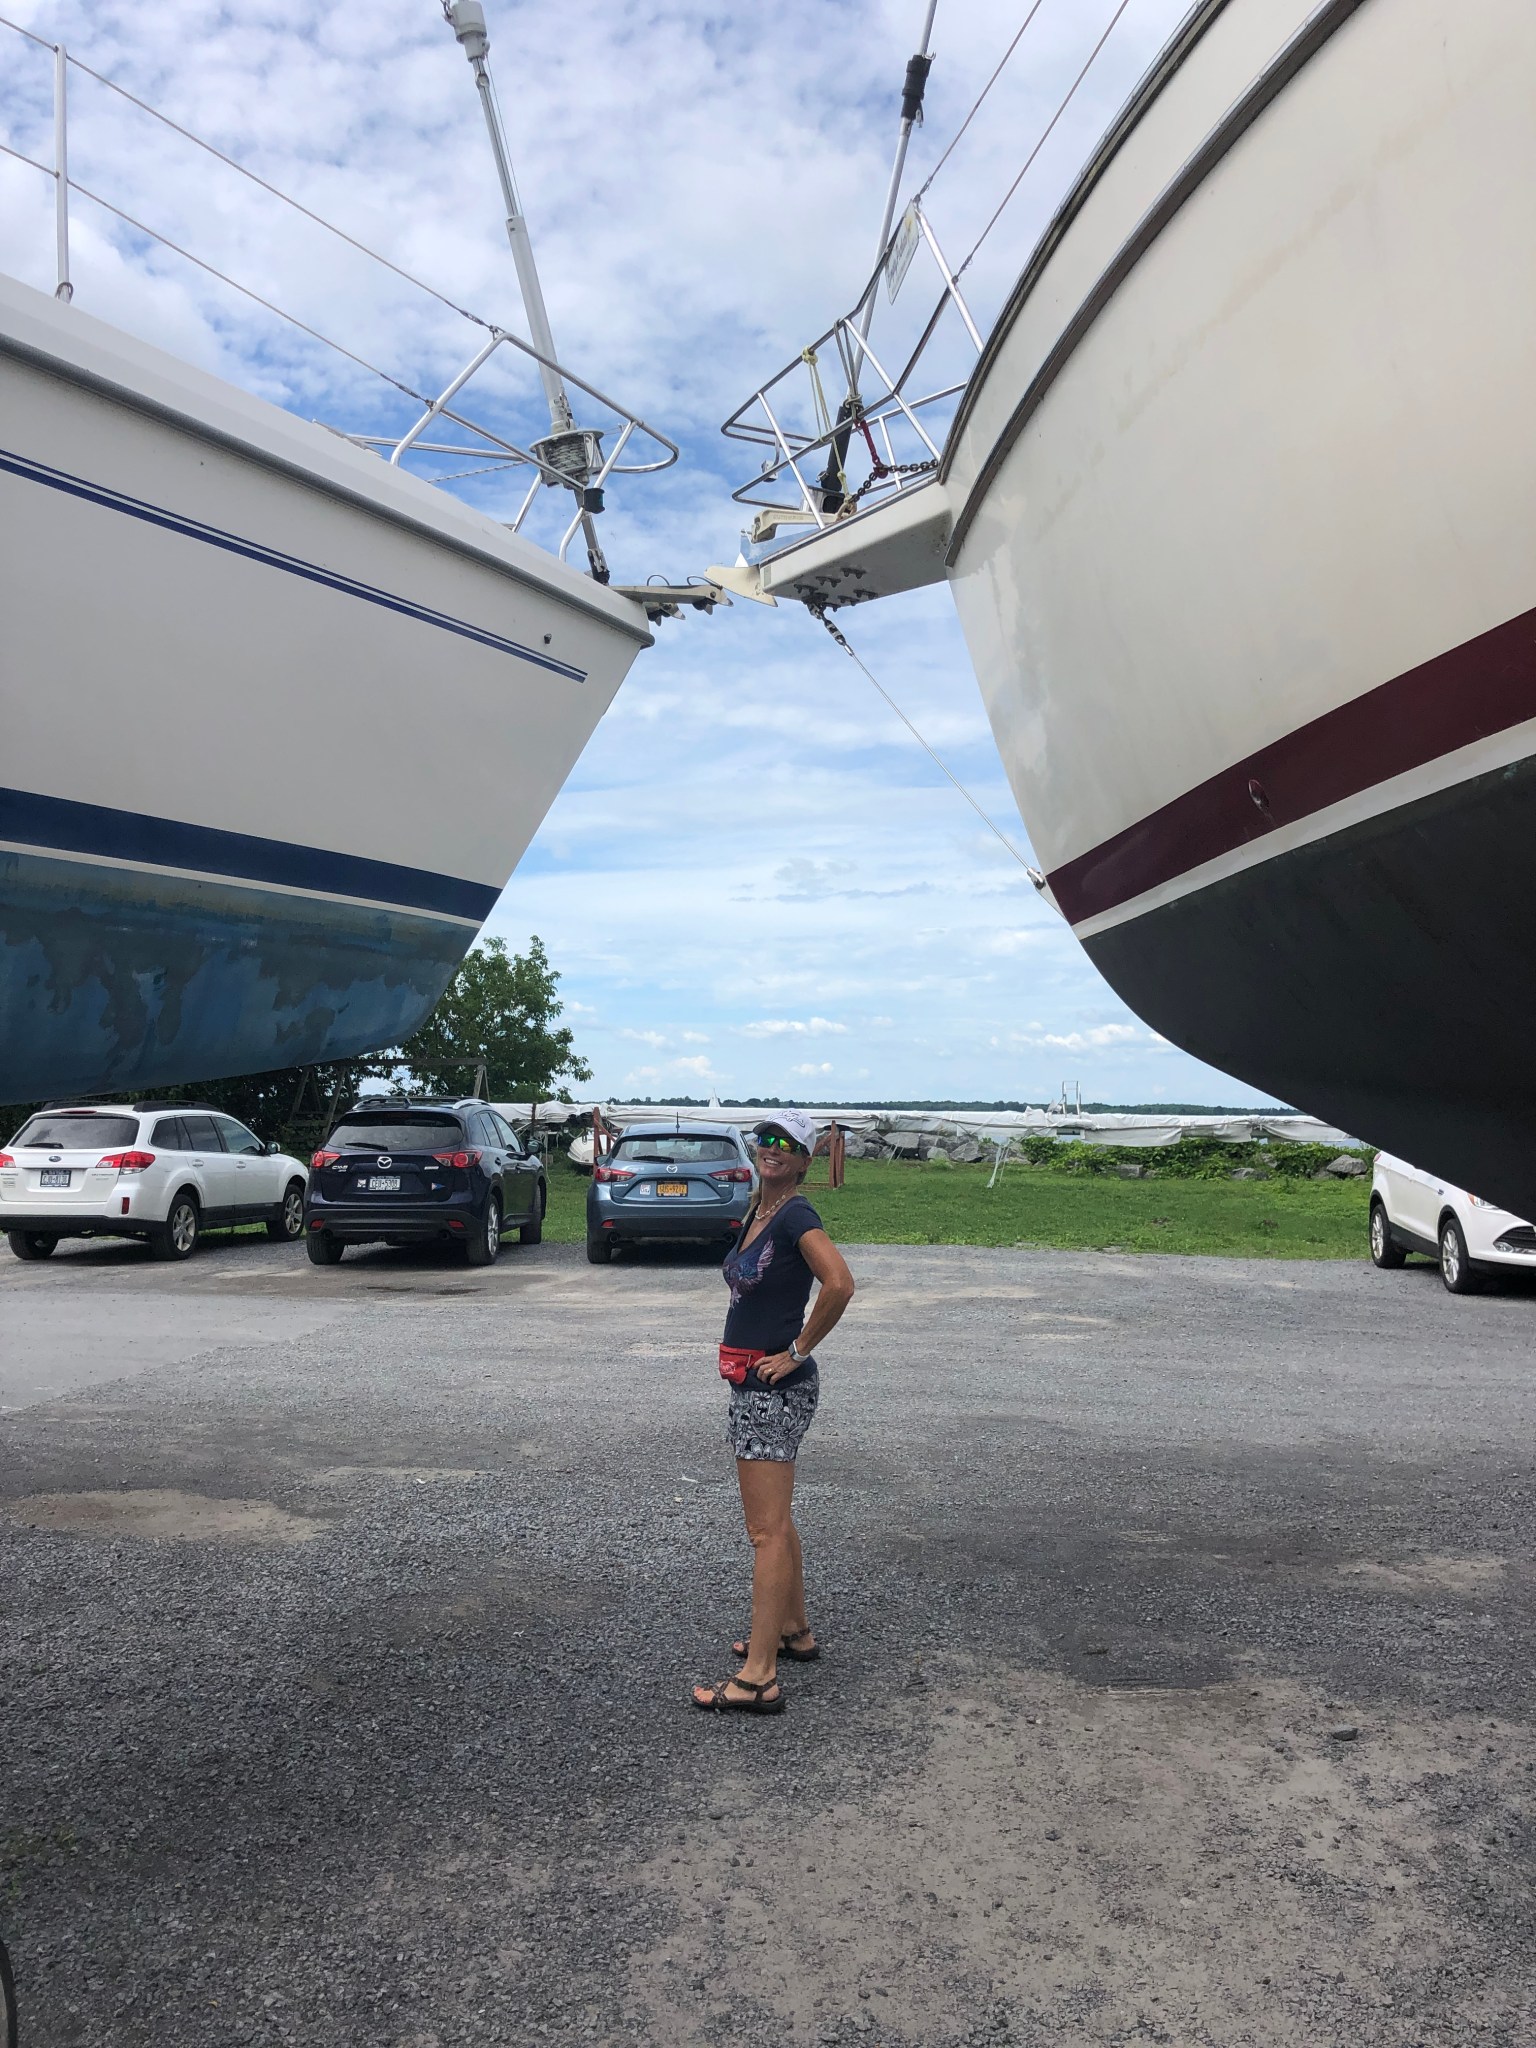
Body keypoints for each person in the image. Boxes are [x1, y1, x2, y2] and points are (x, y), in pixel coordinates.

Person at [692, 1109, 856, 1715]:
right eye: (766, 1139)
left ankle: (759, 1677)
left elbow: (839, 1283)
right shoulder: (758, 1210)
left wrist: (795, 1351)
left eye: (787, 1144)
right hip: (750, 1385)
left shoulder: (795, 1215)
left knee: (763, 1532)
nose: (773, 1149)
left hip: (772, 1390)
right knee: (778, 1521)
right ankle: (794, 1633)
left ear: (805, 1160)